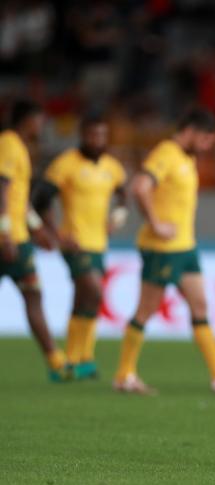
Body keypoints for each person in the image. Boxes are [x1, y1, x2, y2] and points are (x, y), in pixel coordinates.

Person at [112, 108, 215, 395]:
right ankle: (124, 375)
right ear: (191, 130)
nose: (206, 147)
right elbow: (140, 186)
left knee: (200, 306)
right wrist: (155, 223)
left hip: (184, 248)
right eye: (205, 140)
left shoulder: (186, 158)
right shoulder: (166, 152)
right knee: (146, 310)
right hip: (162, 249)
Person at [32, 113, 128, 380]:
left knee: (84, 298)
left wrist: (117, 217)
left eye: (102, 135)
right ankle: (77, 356)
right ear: (82, 135)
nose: (98, 140)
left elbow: (123, 195)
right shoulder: (65, 164)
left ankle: (80, 360)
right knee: (95, 292)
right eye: (92, 135)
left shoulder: (112, 166)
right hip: (73, 242)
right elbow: (41, 201)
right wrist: (56, 234)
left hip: (99, 243)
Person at [0, 99, 69, 381]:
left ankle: (56, 362)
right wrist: (4, 231)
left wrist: (37, 227)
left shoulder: (20, 149)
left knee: (33, 295)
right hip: (6, 238)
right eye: (39, 119)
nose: (42, 125)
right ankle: (55, 361)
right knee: (33, 296)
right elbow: (1, 190)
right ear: (26, 119)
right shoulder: (7, 143)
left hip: (18, 237)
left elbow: (20, 199)